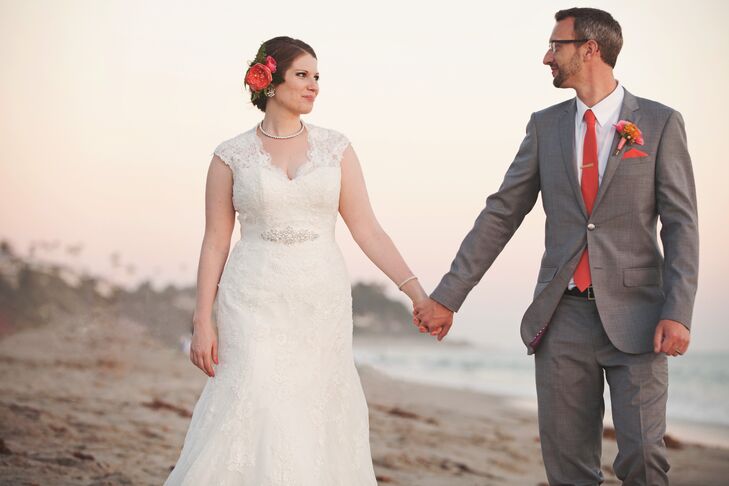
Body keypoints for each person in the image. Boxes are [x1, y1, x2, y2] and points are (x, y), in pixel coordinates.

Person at [414, 8, 698, 486]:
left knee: (646, 458)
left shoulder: (660, 123)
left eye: (555, 45)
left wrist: (679, 310)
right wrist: (447, 296)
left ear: (590, 49)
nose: (547, 57)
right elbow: (502, 212)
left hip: (640, 318)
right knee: (569, 470)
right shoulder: (544, 126)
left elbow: (681, 224)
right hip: (561, 317)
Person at [164, 36, 428, 485]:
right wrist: (202, 320)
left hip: (319, 300)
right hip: (251, 298)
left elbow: (368, 229)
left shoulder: (336, 149)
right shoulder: (230, 155)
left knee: (313, 409)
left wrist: (416, 293)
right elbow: (215, 242)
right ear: (269, 80)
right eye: (302, 75)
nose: (314, 86)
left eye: (317, 77)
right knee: (253, 396)